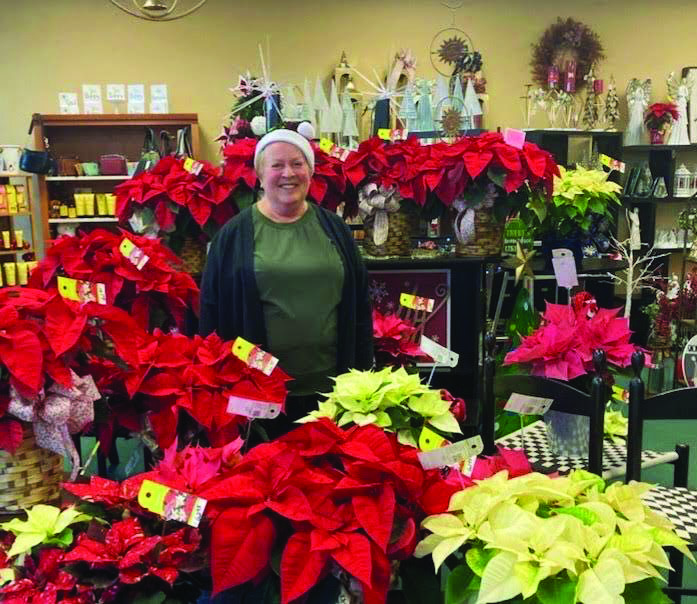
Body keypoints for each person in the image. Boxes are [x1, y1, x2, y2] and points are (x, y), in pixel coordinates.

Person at [200, 128, 373, 437]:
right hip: (262, 398)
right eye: (276, 165)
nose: (288, 174)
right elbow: (212, 315)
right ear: (259, 173)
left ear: (310, 170)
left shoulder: (333, 228)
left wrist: (363, 377)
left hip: (333, 392)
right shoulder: (232, 236)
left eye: (297, 163)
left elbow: (359, 304)